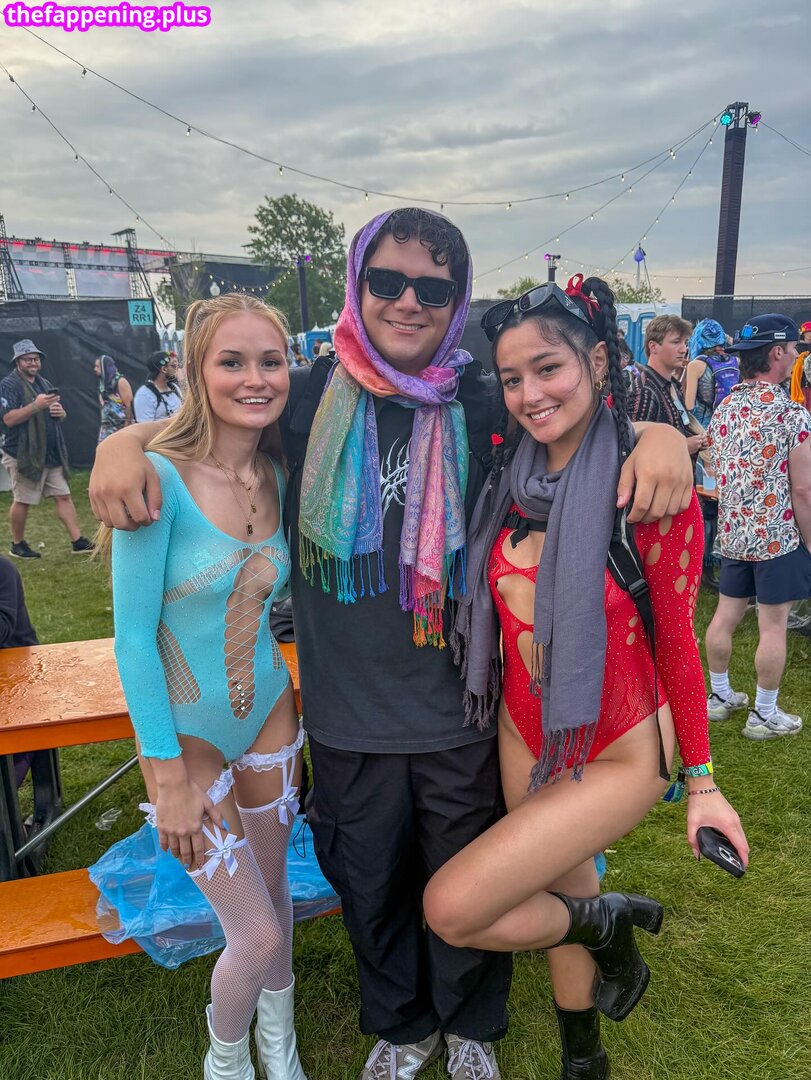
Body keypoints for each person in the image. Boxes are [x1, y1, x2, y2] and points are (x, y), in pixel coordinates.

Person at [88, 208, 694, 1080]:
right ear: (356, 286)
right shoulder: (306, 398)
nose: (409, 302)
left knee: (464, 865)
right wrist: (123, 440)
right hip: (346, 709)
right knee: (368, 883)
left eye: (433, 289)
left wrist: (661, 435)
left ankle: (471, 1025)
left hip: (460, 705)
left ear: (456, 301)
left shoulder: (482, 400)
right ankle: (403, 1027)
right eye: (387, 281)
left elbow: (579, 425)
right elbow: (216, 419)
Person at [422, 275, 748, 1080]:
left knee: (452, 909)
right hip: (524, 729)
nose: (529, 394)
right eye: (511, 378)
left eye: (548, 368)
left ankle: (604, 922)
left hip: (618, 748)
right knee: (565, 890)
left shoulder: (648, 487)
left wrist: (702, 783)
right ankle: (584, 1056)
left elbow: (678, 646)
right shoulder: (504, 478)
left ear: (597, 361)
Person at [95, 295, 307, 1080]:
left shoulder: (278, 470)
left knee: (275, 890)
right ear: (195, 370)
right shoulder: (156, 480)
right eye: (232, 361)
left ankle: (279, 1047)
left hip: (270, 715)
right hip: (186, 741)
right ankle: (226, 1062)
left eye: (270, 361)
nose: (255, 378)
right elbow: (132, 639)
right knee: (252, 933)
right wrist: (165, 776)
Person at [705, 314, 811, 740]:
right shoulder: (790, 414)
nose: (796, 355)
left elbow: (717, 466)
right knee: (773, 626)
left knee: (725, 616)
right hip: (776, 537)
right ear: (776, 352)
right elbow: (803, 489)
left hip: (733, 533)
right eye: (793, 348)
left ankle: (719, 696)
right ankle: (764, 713)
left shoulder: (725, 408)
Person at [0, 339, 93, 558]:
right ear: (17, 362)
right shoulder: (9, 385)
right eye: (28, 359)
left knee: (63, 496)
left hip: (50, 453)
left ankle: (78, 541)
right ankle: (17, 544)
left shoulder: (44, 383)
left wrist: (60, 413)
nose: (33, 362)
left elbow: (54, 414)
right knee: (23, 500)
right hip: (23, 453)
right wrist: (36, 405)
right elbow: (8, 419)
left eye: (36, 359)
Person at [628, 315, 708, 459]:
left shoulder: (673, 385)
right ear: (653, 347)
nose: (684, 349)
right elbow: (634, 450)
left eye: (685, 342)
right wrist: (683, 447)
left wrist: (696, 440)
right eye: (676, 342)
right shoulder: (644, 391)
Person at [683, 319, 739, 428]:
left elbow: (689, 406)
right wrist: (727, 338)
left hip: (705, 427)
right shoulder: (735, 361)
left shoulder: (695, 365)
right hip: (730, 424)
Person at [132, 350, 183, 422]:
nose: (177, 370)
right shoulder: (145, 394)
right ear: (164, 369)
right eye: (174, 366)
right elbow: (145, 426)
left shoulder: (174, 388)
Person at [94, 354, 133, 443]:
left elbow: (129, 406)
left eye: (97, 366)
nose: (95, 369)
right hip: (107, 428)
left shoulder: (121, 382)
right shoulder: (102, 385)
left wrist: (126, 428)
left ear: (105, 367)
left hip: (121, 427)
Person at [789, 321, 811, 410]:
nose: (810, 334)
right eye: (808, 332)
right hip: (800, 382)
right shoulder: (797, 348)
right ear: (803, 333)